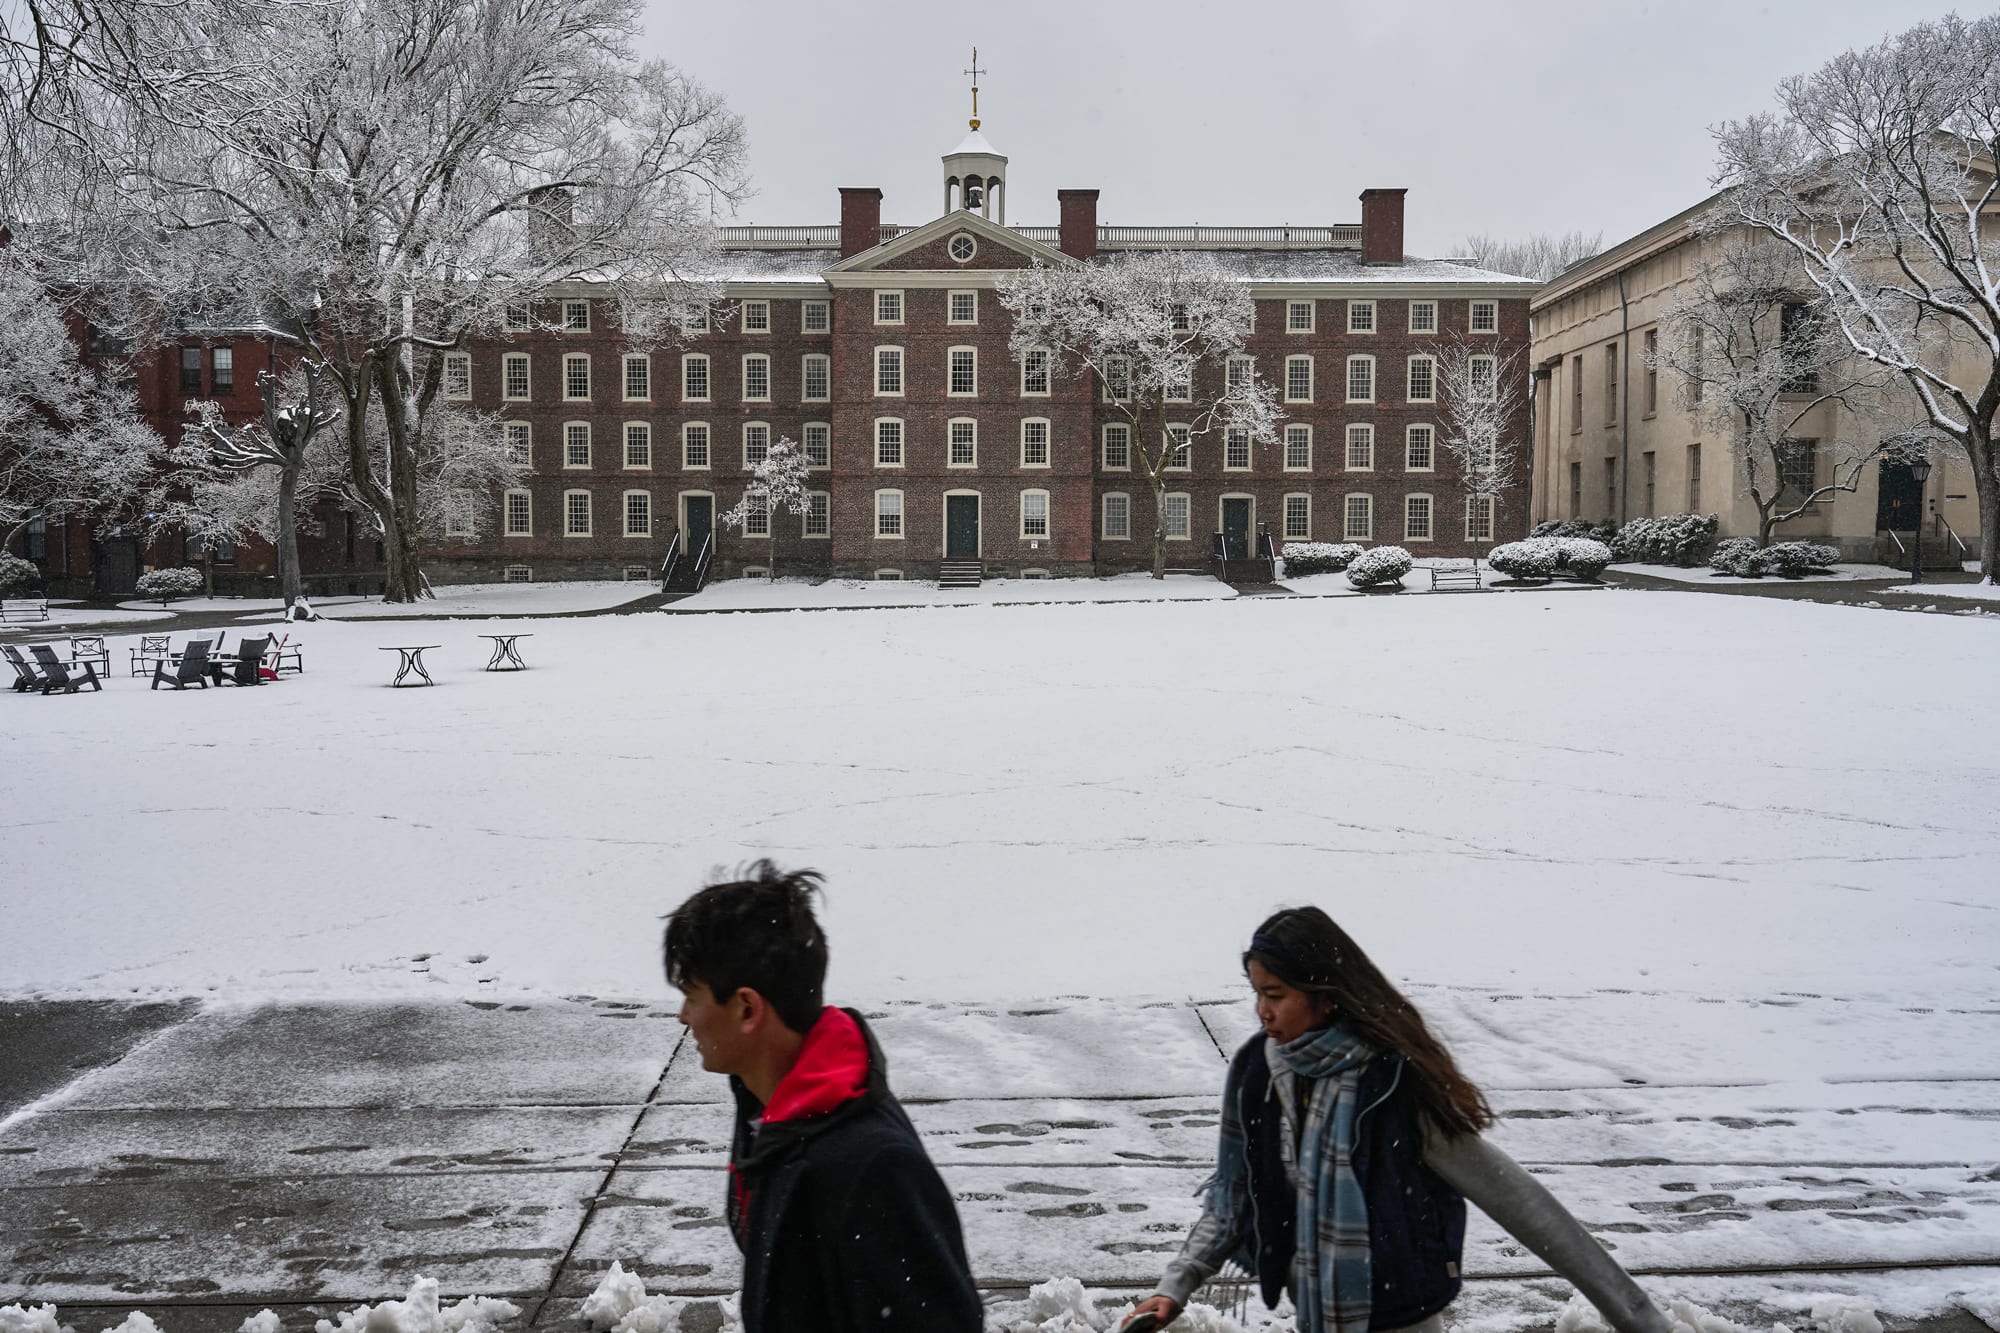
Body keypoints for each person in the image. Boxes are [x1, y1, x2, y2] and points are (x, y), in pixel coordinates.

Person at [1122, 907, 1671, 1333]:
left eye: (1277, 995)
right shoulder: (1255, 1071)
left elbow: (1523, 1205)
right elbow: (1235, 1198)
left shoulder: (1392, 1085)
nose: (1262, 1011)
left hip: (1403, 1316)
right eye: (1257, 994)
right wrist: (1175, 1286)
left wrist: (1638, 1318)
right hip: (1318, 1313)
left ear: (1325, 996)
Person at [662, 860, 982, 1333]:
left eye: (692, 995)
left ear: (747, 1008)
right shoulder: (768, 1108)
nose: (683, 1015)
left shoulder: (874, 1168)